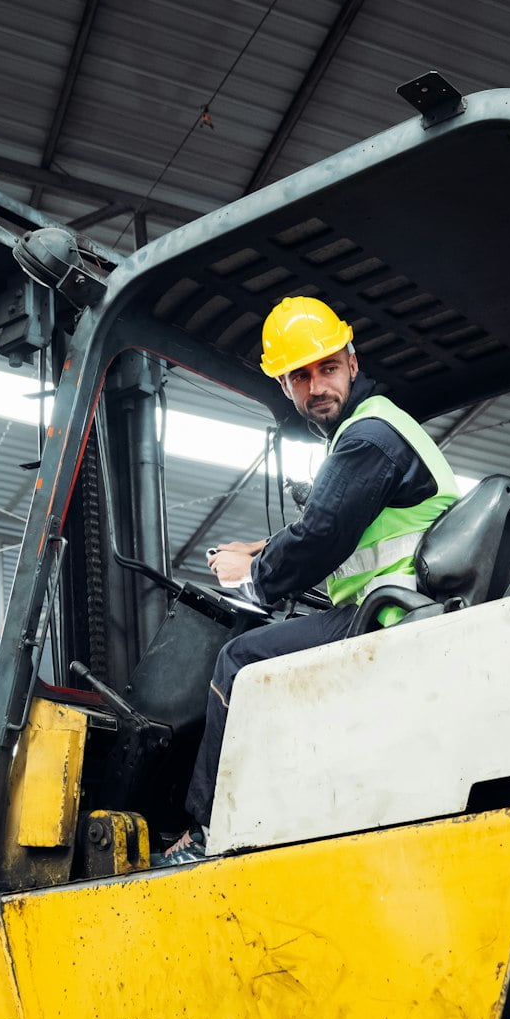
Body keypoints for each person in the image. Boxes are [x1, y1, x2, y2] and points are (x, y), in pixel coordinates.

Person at [164, 296, 459, 862]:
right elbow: (341, 524)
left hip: (390, 615)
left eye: (327, 367)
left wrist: (252, 576)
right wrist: (264, 546)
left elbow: (323, 536)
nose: (317, 385)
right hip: (401, 604)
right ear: (285, 386)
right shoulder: (375, 431)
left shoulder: (367, 437)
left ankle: (204, 832)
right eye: (301, 375)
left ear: (352, 360)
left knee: (241, 658)